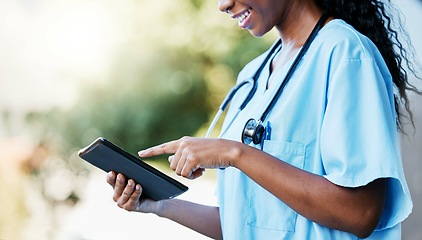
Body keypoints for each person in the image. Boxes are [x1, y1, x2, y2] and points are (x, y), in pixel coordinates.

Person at [106, 0, 419, 239]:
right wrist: (158, 205)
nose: (223, 4)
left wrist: (235, 153)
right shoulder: (253, 74)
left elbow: (360, 212)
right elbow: (247, 221)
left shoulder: (345, 54)